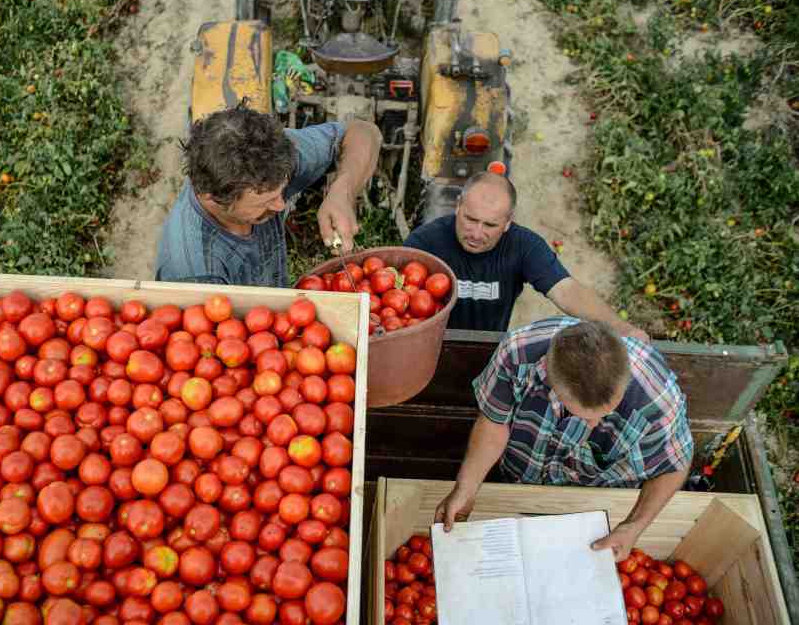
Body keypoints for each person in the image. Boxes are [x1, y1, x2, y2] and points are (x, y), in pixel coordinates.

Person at [434, 317, 693, 561]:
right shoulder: (517, 353)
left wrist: (633, 525)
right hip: (519, 482)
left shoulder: (658, 396)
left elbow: (674, 465)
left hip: (597, 503)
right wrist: (466, 488)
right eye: (581, 415)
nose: (594, 425)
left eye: (606, 413)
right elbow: (494, 422)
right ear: (550, 377)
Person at [155, 101, 382, 286]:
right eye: (266, 201)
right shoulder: (195, 273)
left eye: (282, 191)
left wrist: (342, 191)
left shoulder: (269, 159)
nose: (281, 206)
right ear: (212, 197)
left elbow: (363, 132)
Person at [404, 171, 649, 342]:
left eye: (490, 225)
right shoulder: (425, 242)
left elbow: (566, 290)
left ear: (508, 222)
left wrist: (621, 327)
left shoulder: (523, 246)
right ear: (458, 206)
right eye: (470, 219)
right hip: (431, 348)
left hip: (490, 349)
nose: (476, 234)